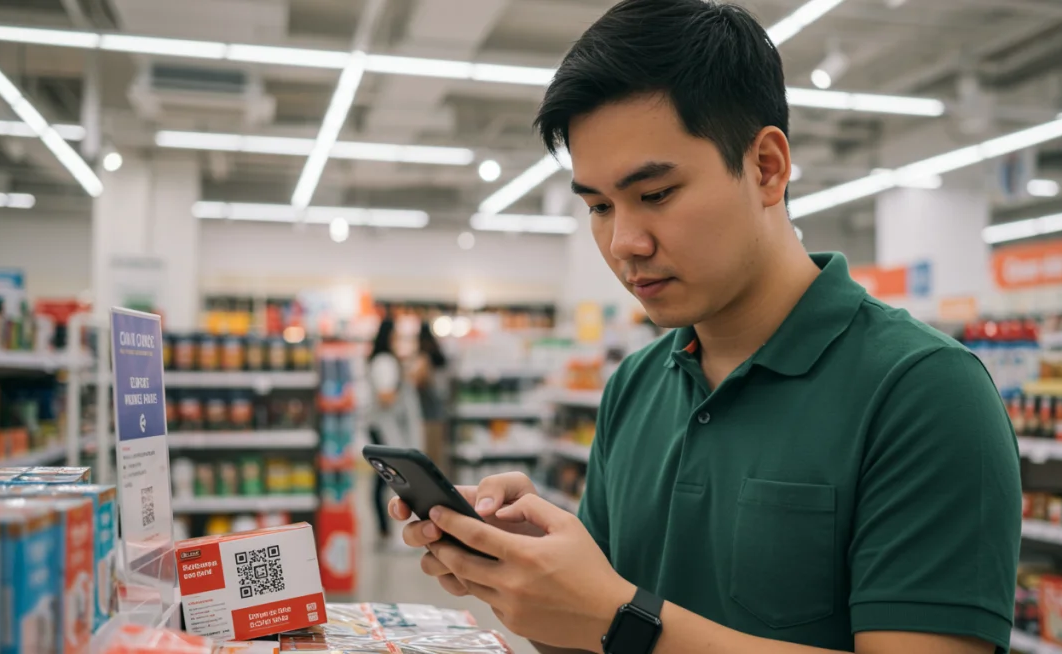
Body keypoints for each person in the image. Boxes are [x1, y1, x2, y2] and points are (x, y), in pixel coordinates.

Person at [389, 1, 1021, 653]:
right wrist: (536, 583)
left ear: (767, 168)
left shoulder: (925, 392)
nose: (624, 241)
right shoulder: (635, 384)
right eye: (600, 206)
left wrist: (620, 616)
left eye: (655, 194)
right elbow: (599, 636)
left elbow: (624, 625)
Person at [367, 318, 423, 538]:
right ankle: (387, 528)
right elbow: (386, 396)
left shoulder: (382, 360)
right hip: (385, 429)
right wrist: (406, 383)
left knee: (382, 481)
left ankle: (384, 529)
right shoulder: (384, 362)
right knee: (388, 481)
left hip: (381, 427)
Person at [411, 321, 451, 470]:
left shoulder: (423, 358)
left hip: (427, 414)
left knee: (429, 455)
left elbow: (417, 381)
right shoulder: (438, 357)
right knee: (436, 454)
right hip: (438, 412)